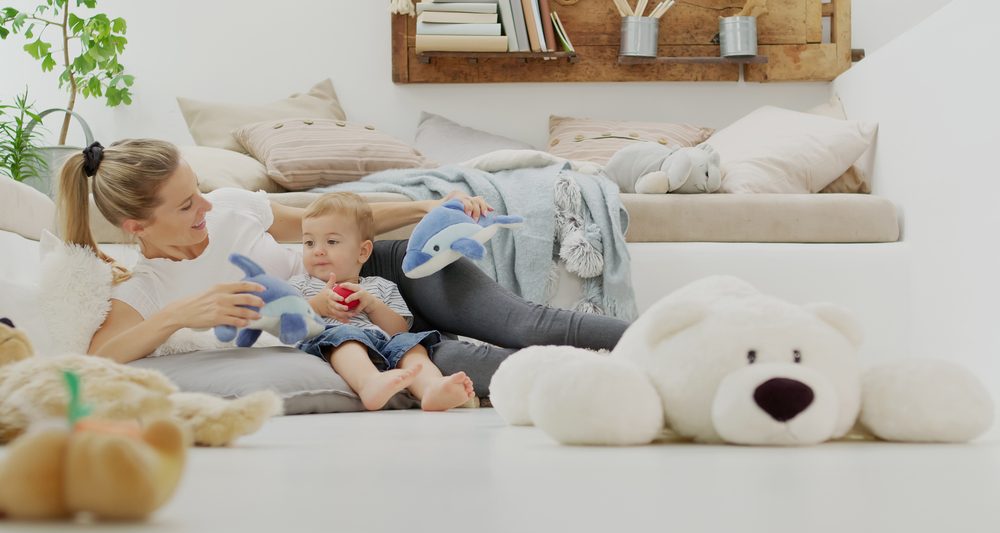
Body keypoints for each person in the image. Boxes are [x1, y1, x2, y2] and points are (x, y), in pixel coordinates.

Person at [59, 139, 629, 396]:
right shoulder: (151, 286)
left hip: (380, 267)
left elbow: (325, 221)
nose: (207, 206)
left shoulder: (231, 205)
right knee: (483, 364)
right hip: (349, 328)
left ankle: (672, 333)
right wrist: (181, 314)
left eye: (198, 192)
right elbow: (92, 360)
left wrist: (424, 207)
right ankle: (636, 384)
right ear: (137, 226)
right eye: (186, 206)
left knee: (526, 324)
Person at [289, 192, 474, 411]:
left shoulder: (379, 286)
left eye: (331, 241)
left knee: (412, 346)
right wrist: (317, 306)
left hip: (383, 346)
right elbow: (288, 324)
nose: (318, 250)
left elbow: (399, 329)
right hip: (334, 344)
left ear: (363, 251)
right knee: (346, 338)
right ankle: (369, 384)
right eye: (309, 243)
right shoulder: (300, 285)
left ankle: (431, 388)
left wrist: (373, 305)